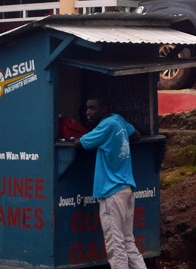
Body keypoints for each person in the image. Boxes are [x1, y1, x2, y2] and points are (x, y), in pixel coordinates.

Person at [74, 95, 146, 269]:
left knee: (116, 245)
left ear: (104, 108)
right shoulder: (118, 120)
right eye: (87, 108)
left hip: (112, 193)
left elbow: (80, 143)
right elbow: (136, 135)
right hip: (127, 189)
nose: (88, 112)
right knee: (128, 241)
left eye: (93, 108)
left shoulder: (105, 126)